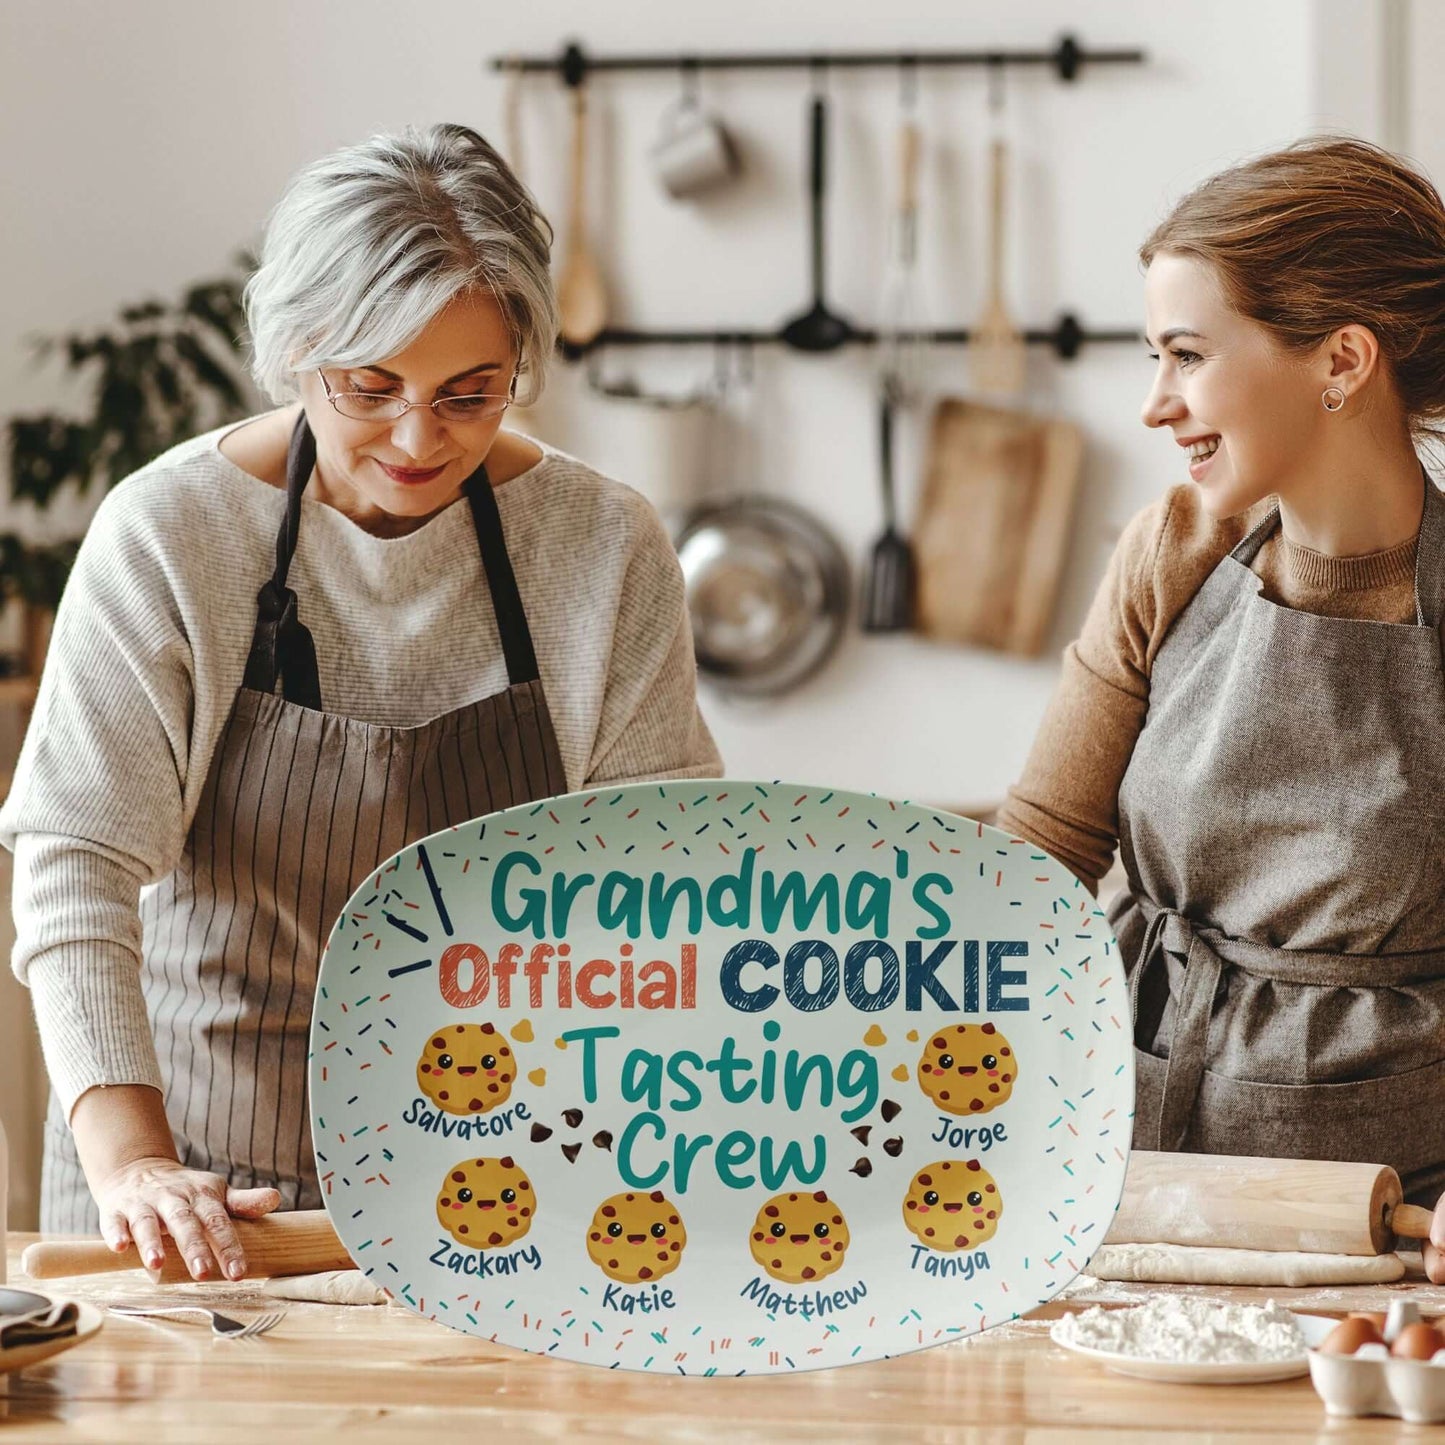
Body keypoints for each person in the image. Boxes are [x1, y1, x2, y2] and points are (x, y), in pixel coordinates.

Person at [0, 123, 721, 1279]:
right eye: (370, 385)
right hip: (202, 1187)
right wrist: (130, 1162)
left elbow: (662, 873)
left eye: (470, 391)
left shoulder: (600, 543)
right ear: (294, 352)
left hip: (515, 1181)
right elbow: (74, 863)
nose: (418, 435)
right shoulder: (171, 533)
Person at [995, 137, 1445, 1281]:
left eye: (1185, 355)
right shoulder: (1168, 553)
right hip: (1121, 1175)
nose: (1155, 406)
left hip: (1392, 1231)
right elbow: (1034, 861)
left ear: (1340, 360)